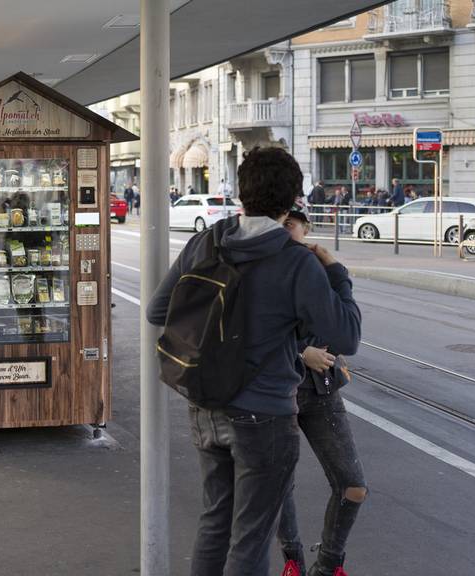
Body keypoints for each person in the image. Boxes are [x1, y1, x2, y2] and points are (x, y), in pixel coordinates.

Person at [146, 146, 361, 576]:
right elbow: (347, 335)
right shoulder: (297, 261)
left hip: (206, 406)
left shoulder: (207, 240)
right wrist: (336, 272)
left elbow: (158, 311)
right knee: (251, 537)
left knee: (214, 523)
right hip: (264, 416)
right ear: (292, 202)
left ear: (241, 192)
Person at [277, 209, 367, 576]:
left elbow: (346, 328)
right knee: (279, 484)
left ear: (306, 229)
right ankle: (293, 562)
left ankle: (328, 565)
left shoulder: (316, 269)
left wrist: (336, 270)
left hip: (321, 390)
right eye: (279, 224)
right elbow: (250, 331)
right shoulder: (264, 266)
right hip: (277, 390)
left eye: (291, 225)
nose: (285, 232)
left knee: (353, 485)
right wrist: (301, 352)